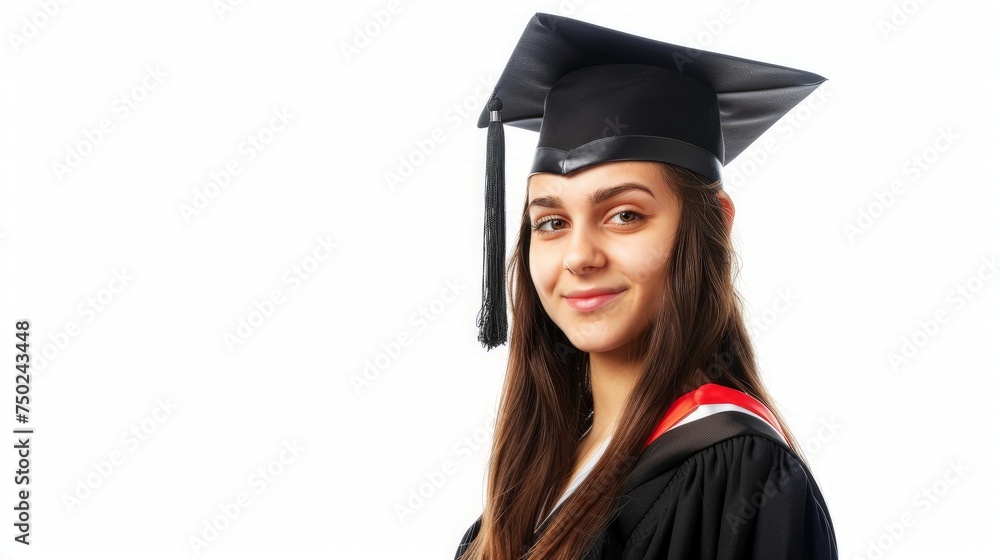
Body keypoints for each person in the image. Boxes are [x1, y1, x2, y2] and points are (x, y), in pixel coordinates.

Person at [456, 12, 838, 560]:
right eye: (552, 222)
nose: (579, 256)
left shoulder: (740, 473)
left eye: (625, 215)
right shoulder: (531, 486)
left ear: (715, 225)